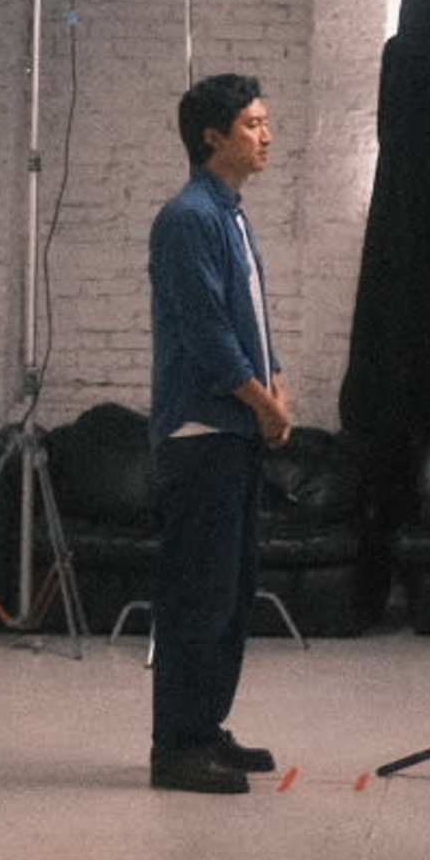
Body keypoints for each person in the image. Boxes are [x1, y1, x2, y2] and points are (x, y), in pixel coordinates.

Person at [146, 72, 289, 795]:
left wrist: (276, 382)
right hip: (202, 432)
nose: (266, 135)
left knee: (231, 596)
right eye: (252, 125)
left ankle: (205, 729)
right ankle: (177, 747)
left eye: (265, 122)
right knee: (198, 598)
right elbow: (207, 332)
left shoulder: (229, 214)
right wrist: (262, 402)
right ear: (212, 137)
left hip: (234, 432)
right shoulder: (188, 218)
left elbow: (250, 318)